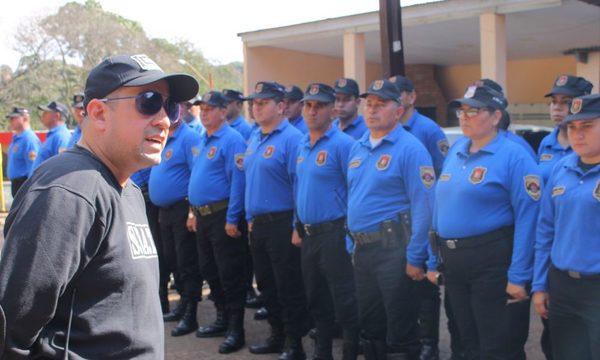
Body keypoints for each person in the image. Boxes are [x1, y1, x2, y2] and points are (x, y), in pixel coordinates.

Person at [0, 53, 198, 359]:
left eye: (170, 107)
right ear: (99, 113)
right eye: (148, 101)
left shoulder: (127, 188)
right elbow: (12, 331)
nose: (164, 120)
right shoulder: (67, 191)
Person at [428, 84, 541, 360]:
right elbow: (439, 204)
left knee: (498, 346)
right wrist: (432, 258)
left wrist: (519, 275)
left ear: (496, 116)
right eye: (462, 110)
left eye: (474, 110)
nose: (464, 116)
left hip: (492, 261)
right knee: (468, 342)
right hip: (454, 263)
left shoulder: (514, 156)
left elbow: (529, 218)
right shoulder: (456, 150)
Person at [347, 79, 434, 360]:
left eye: (381, 104)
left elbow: (424, 205)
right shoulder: (358, 147)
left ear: (398, 111)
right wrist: (352, 244)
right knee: (370, 325)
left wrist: (415, 256)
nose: (372, 110)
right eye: (368, 104)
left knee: (400, 328)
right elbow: (354, 197)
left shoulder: (411, 148)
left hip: (394, 251)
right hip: (364, 250)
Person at [244, 81, 309, 360]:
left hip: (283, 223)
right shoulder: (254, 137)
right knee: (267, 285)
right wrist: (248, 217)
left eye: (262, 102)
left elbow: (300, 186)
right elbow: (249, 180)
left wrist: (298, 224)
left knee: (288, 286)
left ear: (281, 106)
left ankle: (295, 344)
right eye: (254, 103)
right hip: (258, 224)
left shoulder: (293, 139)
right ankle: (277, 335)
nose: (256, 107)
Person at [294, 83, 359, 360]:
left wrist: (350, 236)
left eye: (319, 105)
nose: (312, 110)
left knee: (345, 301)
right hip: (309, 236)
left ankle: (350, 353)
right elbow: (298, 187)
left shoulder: (345, 145)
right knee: (317, 299)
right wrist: (296, 226)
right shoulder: (302, 144)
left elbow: (356, 192)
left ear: (332, 109)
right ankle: (322, 354)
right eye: (308, 105)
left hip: (335, 234)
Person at [533, 93, 600, 360]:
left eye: (587, 126)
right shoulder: (563, 168)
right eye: (572, 127)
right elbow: (545, 230)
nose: (577, 134)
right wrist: (540, 284)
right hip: (563, 286)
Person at [187, 91, 248, 353]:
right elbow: (196, 177)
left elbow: (237, 182)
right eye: (202, 108)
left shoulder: (232, 139)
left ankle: (236, 329)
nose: (204, 112)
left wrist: (233, 218)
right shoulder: (203, 138)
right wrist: (193, 211)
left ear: (224, 112)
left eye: (210, 109)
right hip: (203, 216)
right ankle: (222, 317)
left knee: (229, 273)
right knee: (209, 269)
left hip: (223, 216)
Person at [149, 109, 203, 337]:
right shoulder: (164, 136)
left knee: (186, 262)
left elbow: (197, 174)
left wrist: (193, 211)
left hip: (182, 208)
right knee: (172, 260)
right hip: (164, 210)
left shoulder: (189, 137)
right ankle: (182, 304)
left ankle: (191, 312)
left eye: (173, 110)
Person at [538, 75, 593, 183]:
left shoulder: (592, 142)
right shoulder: (546, 142)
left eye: (565, 102)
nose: (557, 107)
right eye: (554, 101)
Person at [390, 75, 448, 175]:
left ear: (412, 97)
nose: (391, 98)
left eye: (396, 93)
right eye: (387, 95)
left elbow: (444, 169)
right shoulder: (387, 128)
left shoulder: (430, 129)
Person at [5, 107, 40, 197]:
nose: (11, 121)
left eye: (14, 118)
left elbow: (33, 166)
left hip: (24, 184)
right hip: (16, 184)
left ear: (24, 118)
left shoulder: (29, 139)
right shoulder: (16, 138)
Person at [31, 100, 71, 172]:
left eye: (46, 112)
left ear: (57, 116)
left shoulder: (61, 137)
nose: (43, 115)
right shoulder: (53, 135)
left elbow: (62, 168)